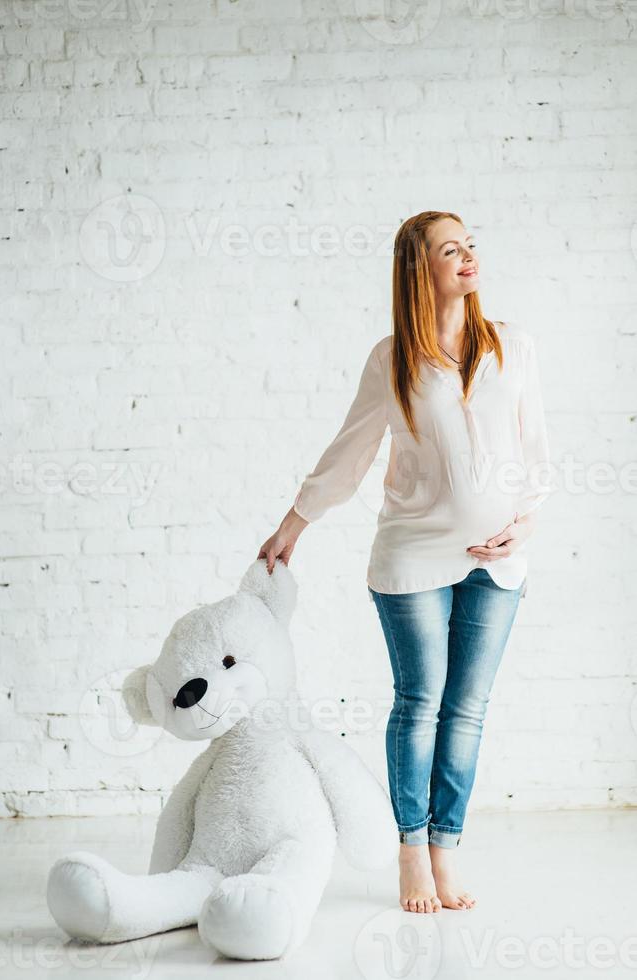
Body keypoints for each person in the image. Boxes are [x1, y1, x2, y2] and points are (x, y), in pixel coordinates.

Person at [257, 210, 555, 914]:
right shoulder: (391, 359)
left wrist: (526, 524)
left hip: (498, 564)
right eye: (451, 249)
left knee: (468, 709)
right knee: (420, 703)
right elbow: (349, 452)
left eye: (471, 245)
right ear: (419, 267)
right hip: (413, 556)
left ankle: (446, 849)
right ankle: (410, 853)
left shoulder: (512, 345)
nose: (468, 257)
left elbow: (536, 451)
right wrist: (291, 527)